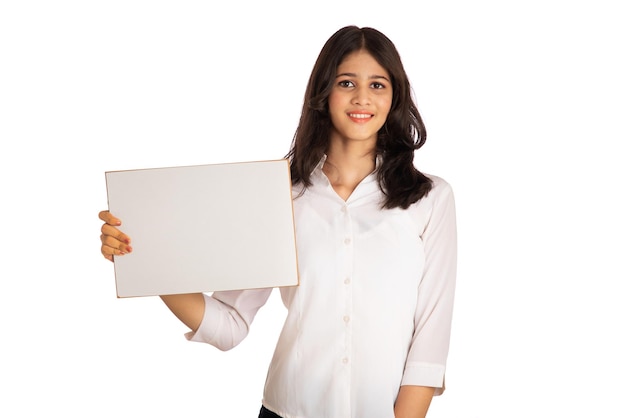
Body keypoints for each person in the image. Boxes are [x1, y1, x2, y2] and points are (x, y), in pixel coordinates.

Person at [99, 25, 457, 418]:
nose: (361, 97)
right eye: (346, 82)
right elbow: (229, 324)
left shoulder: (430, 199)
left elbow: (429, 341)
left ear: (394, 96)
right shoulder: (279, 194)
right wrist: (145, 259)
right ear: (324, 92)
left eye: (377, 85)